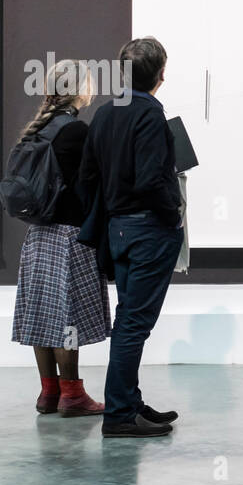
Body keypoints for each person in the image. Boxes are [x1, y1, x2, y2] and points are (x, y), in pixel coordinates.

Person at [77, 37, 183, 438]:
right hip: (148, 231)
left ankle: (129, 401)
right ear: (160, 75)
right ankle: (120, 413)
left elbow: (87, 178)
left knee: (128, 319)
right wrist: (173, 212)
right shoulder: (150, 116)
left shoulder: (105, 114)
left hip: (118, 230)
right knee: (133, 324)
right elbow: (152, 179)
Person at [11, 60, 111, 416]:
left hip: (38, 236)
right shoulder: (75, 132)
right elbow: (93, 183)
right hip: (69, 236)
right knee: (66, 318)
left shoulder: (36, 130)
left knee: (42, 314)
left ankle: (48, 392)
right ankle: (72, 394)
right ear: (79, 90)